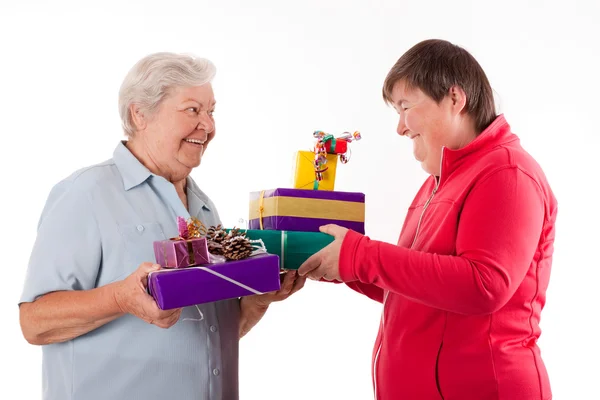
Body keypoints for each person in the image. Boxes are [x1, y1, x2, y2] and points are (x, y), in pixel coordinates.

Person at [18, 52, 305, 400]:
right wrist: (120, 298)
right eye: (192, 110)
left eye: (211, 111)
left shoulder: (204, 208)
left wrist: (259, 301)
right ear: (140, 114)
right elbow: (35, 323)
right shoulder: (86, 193)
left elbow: (211, 336)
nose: (209, 125)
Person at [299, 39, 557, 400]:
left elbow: (484, 285)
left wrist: (361, 256)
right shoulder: (437, 183)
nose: (400, 128)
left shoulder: (507, 172)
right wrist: (343, 264)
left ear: (455, 99)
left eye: (405, 106)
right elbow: (420, 290)